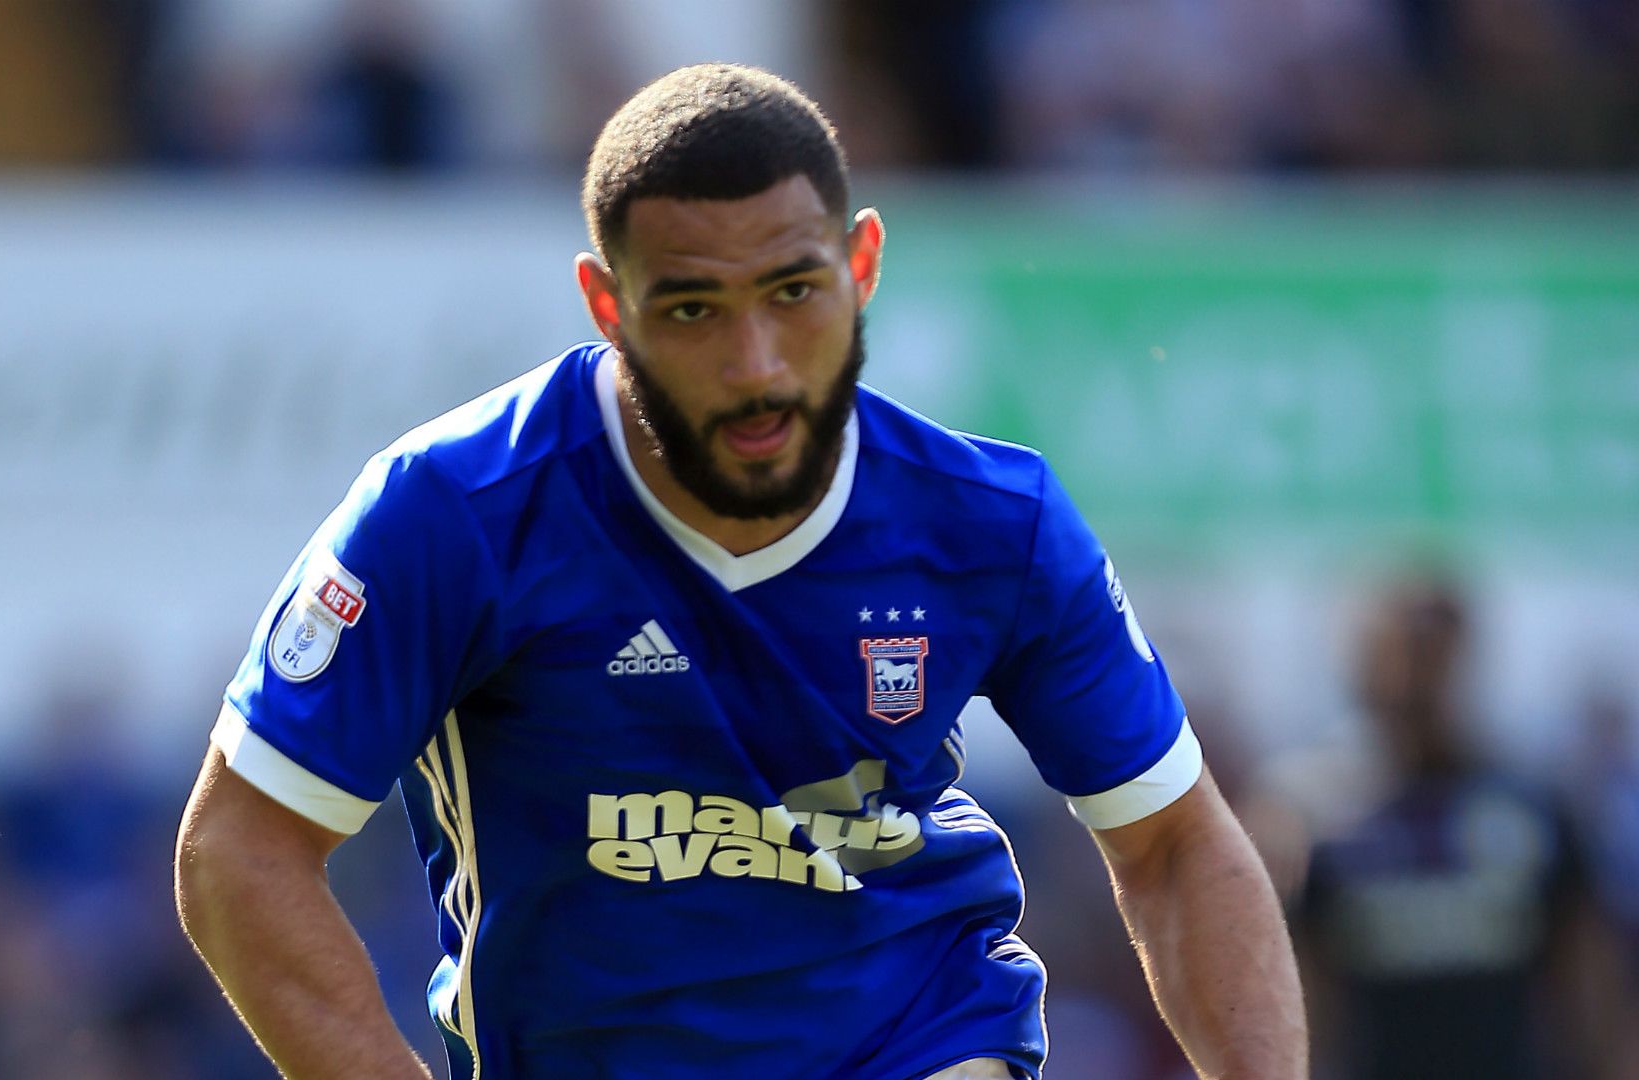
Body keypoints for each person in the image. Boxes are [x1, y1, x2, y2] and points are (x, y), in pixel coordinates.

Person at [174, 63, 1305, 1080]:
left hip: (920, 1046)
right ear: (609, 306)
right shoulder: (457, 511)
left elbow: (1173, 843)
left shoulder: (993, 522)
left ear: (861, 265)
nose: (756, 364)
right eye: (694, 310)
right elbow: (239, 850)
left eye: (793, 291)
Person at [1294, 579, 1631, 1079]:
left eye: (1429, 652)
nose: (1412, 676)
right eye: (1396, 653)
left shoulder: (1531, 808)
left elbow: (1590, 981)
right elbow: (1303, 993)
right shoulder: (1320, 816)